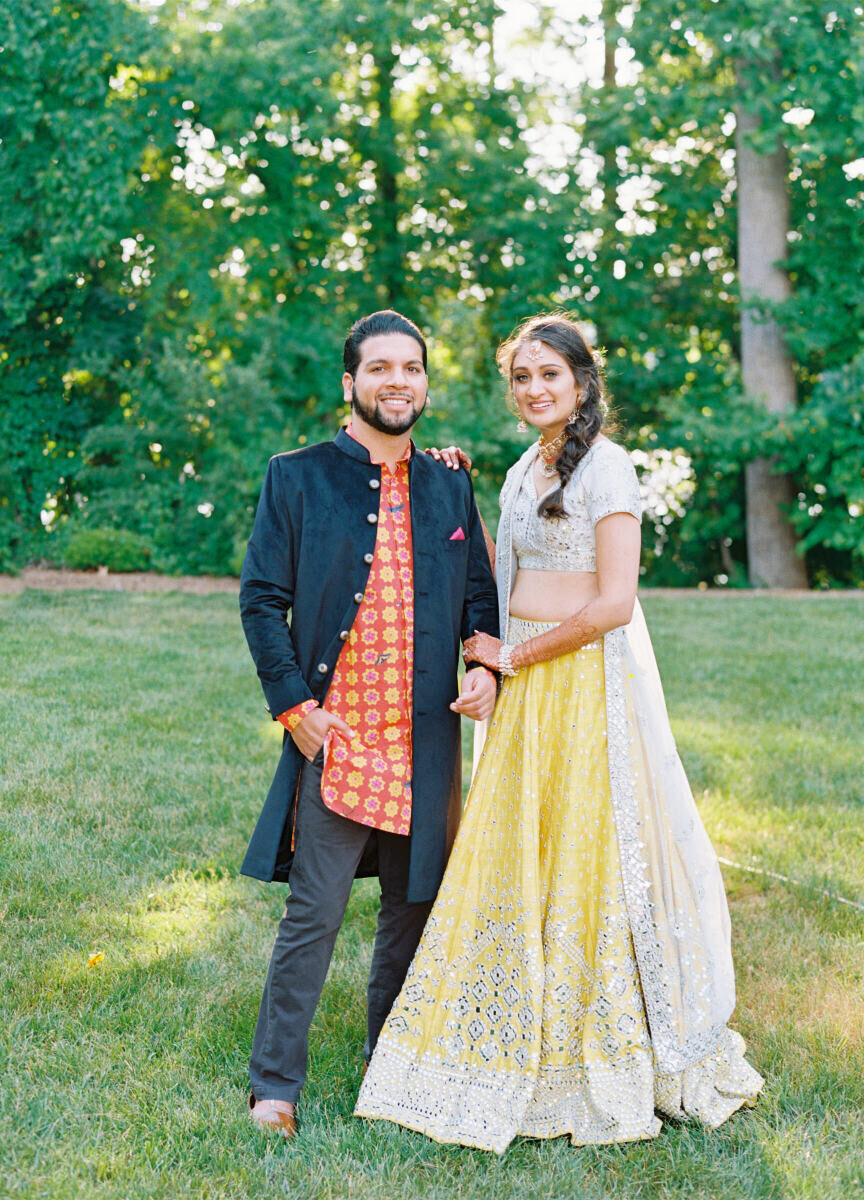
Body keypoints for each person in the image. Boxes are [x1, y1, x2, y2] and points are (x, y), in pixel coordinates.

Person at [355, 313, 763, 1152]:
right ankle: (511, 1022)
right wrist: (448, 480)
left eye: (551, 374)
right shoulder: (519, 469)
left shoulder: (608, 467)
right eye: (522, 377)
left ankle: (595, 1043)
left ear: (582, 381)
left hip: (580, 686)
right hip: (527, 689)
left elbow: (614, 603)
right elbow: (505, 569)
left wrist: (518, 655)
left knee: (585, 855)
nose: (536, 389)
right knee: (517, 853)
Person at [239, 309, 499, 1137]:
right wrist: (295, 709)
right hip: (340, 737)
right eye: (380, 368)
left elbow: (479, 601)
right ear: (350, 383)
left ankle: (389, 1058)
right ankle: (274, 1084)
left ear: (426, 382)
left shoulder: (452, 481)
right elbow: (261, 601)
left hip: (425, 738)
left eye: (412, 368)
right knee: (313, 912)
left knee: (413, 906)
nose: (398, 381)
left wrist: (485, 667)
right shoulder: (297, 476)